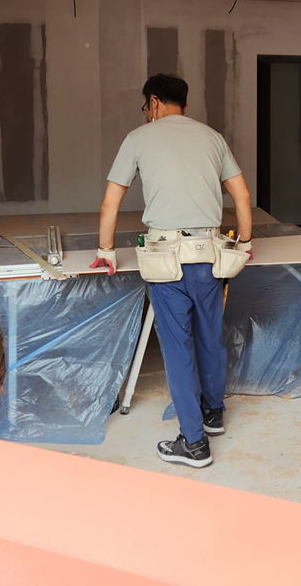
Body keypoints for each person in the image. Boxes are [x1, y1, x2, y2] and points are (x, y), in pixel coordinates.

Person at [93, 73, 252, 469]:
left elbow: (110, 203)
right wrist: (245, 242)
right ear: (184, 104)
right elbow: (242, 194)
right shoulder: (212, 138)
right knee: (210, 337)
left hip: (166, 260)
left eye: (146, 106)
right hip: (209, 254)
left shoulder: (138, 139)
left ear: (153, 102)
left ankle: (194, 444)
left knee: (179, 348)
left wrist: (106, 250)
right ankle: (213, 414)